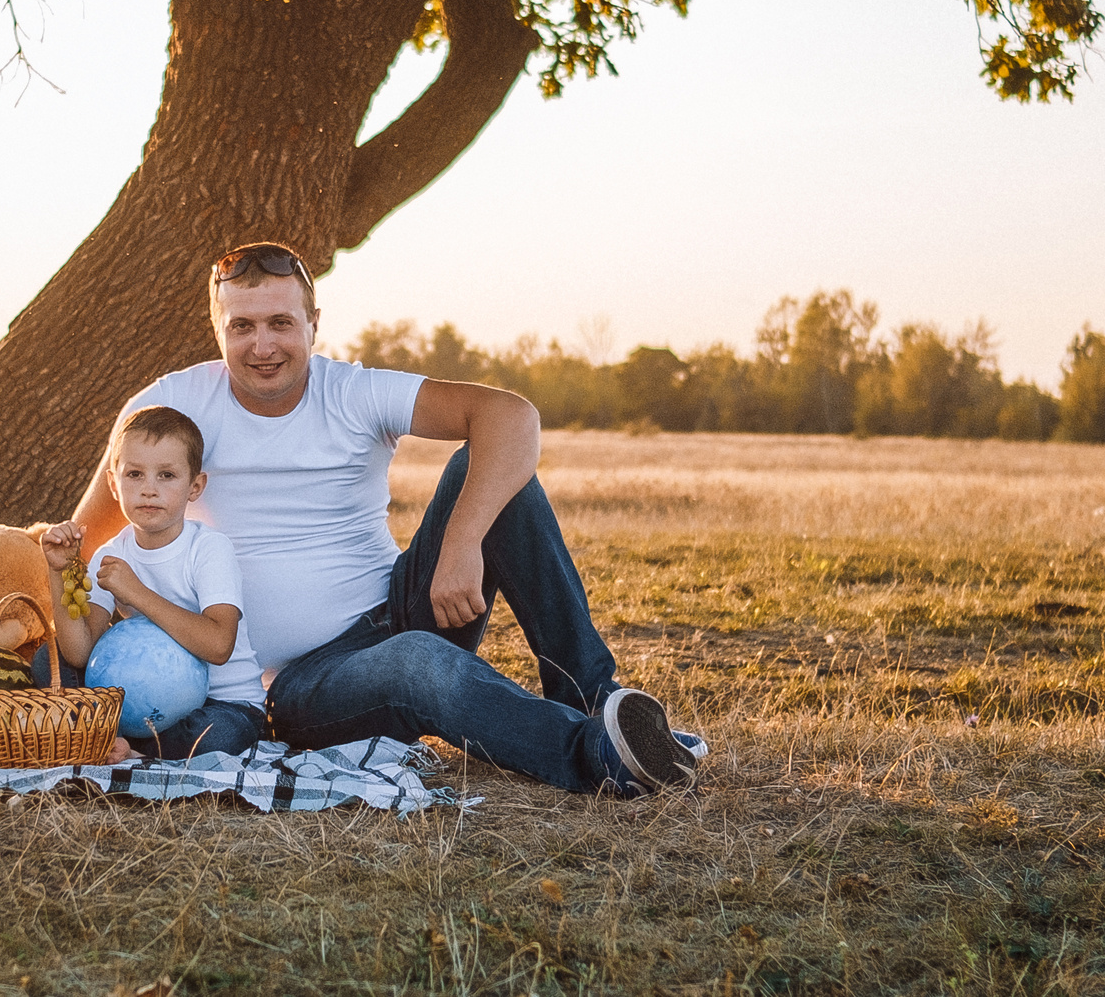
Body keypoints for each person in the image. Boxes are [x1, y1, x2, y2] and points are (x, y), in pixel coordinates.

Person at [49, 241, 699, 796]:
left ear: (314, 322)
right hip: (303, 684)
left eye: (280, 321)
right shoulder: (170, 404)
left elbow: (512, 417)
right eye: (241, 325)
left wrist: (463, 540)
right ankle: (600, 757)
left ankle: (598, 700)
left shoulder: (352, 391)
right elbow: (79, 542)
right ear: (217, 325)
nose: (262, 344)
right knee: (417, 662)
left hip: (400, 607)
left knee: (500, 475)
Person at [40, 406, 267, 762]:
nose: (149, 490)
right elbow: (80, 653)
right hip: (144, 706)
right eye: (134, 474)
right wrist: (57, 571)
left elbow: (219, 645)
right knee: (47, 662)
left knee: (216, 737)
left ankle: (116, 745)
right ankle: (118, 740)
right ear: (114, 485)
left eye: (166, 475)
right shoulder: (109, 555)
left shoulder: (208, 549)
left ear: (195, 486)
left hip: (223, 704)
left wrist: (137, 594)